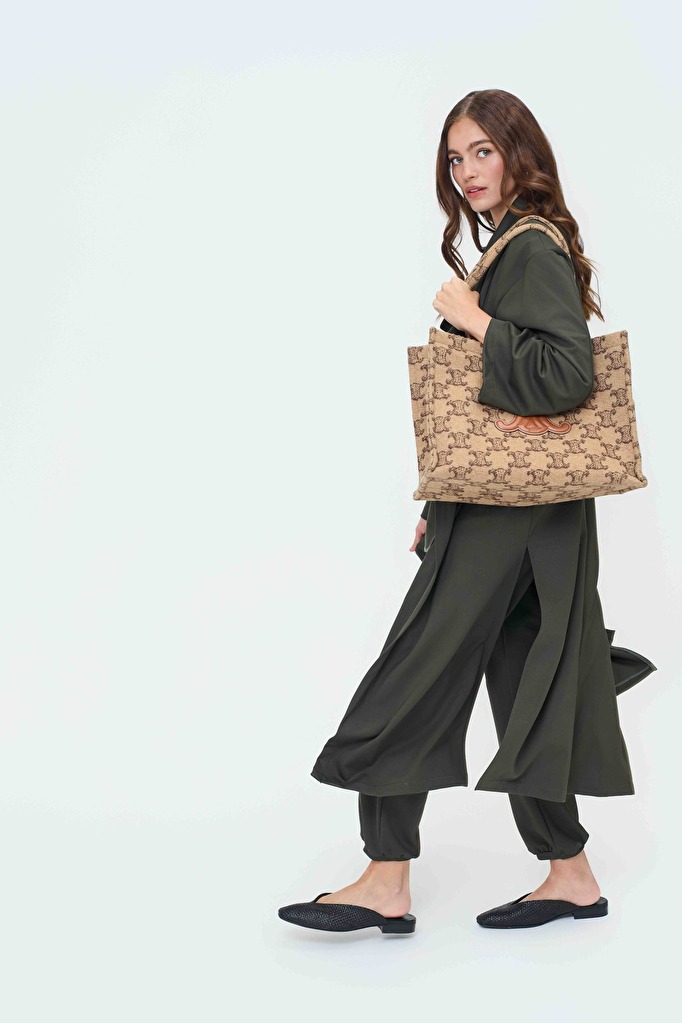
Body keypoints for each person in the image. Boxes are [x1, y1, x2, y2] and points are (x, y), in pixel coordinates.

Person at [278, 89, 656, 934]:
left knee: (415, 669)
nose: (467, 171)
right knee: (527, 677)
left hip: (505, 517)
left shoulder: (529, 248)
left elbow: (567, 375)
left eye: (484, 150)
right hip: (524, 513)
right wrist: (442, 504)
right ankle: (571, 874)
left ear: (521, 153)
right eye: (456, 157)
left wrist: (473, 317)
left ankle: (385, 876)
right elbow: (503, 414)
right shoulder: (523, 244)